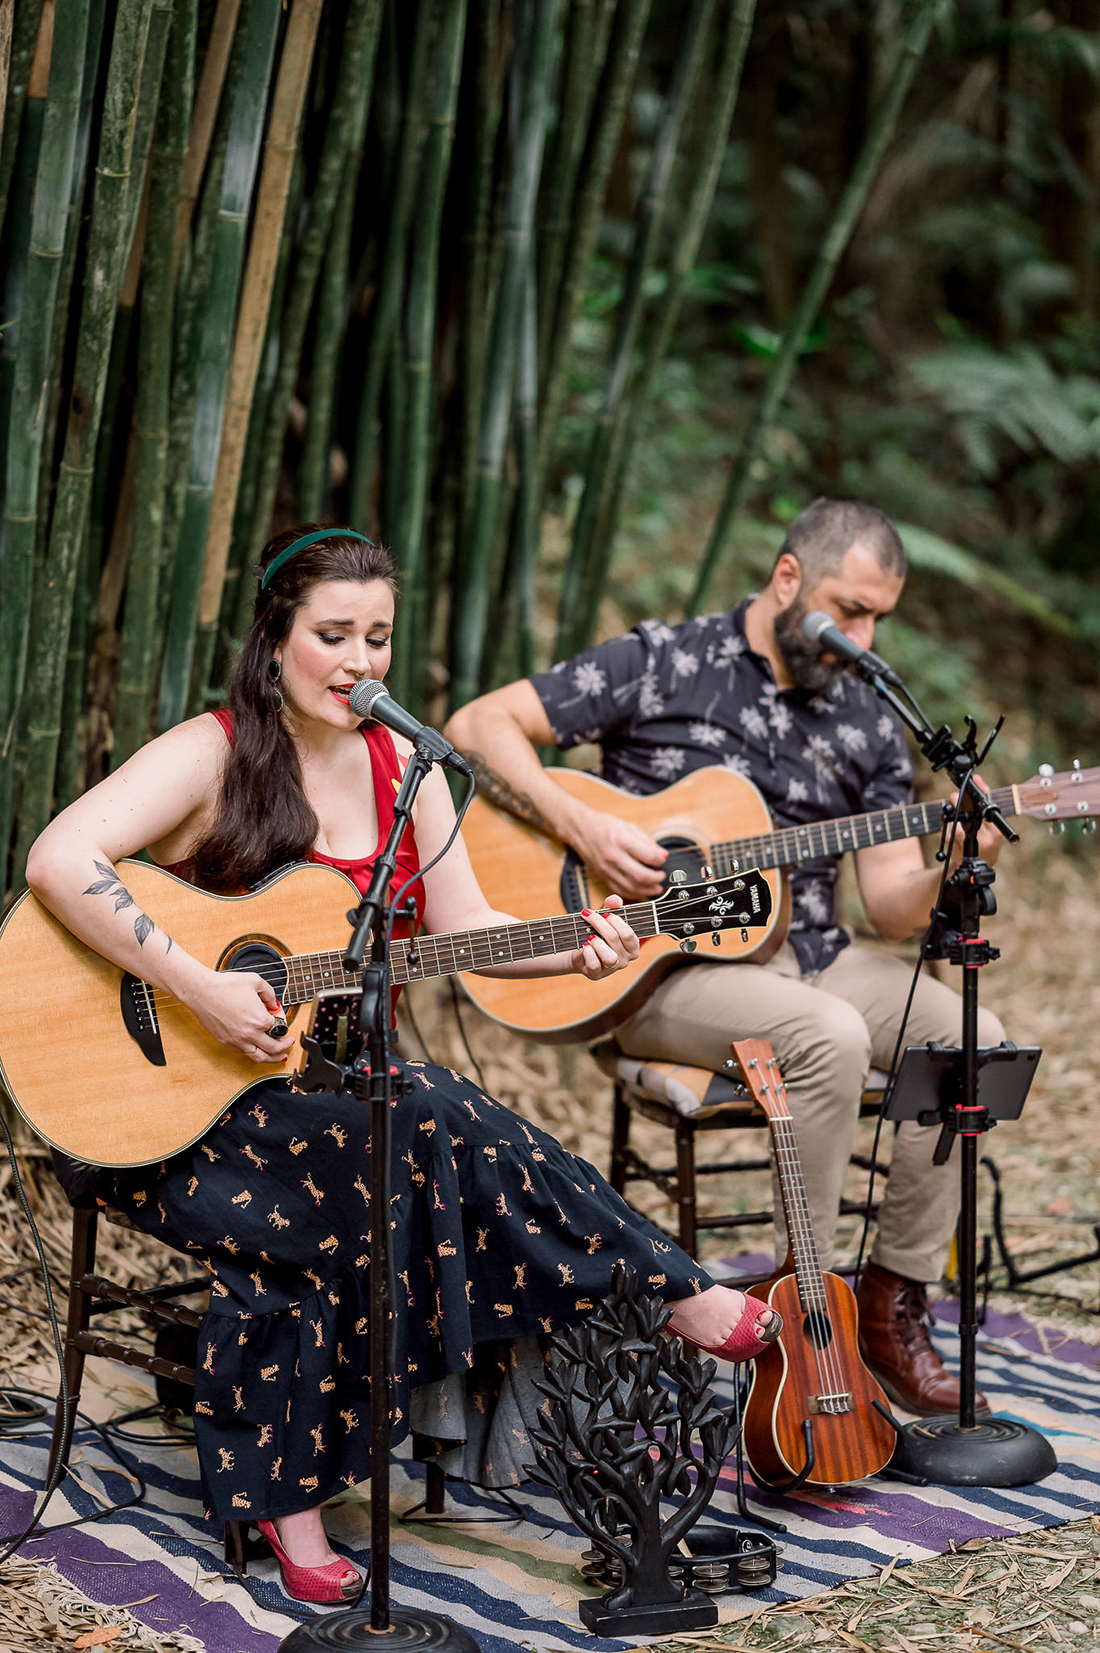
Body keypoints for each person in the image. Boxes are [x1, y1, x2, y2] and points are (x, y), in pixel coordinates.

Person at [26, 525, 778, 1607]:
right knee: (410, 1114)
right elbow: (58, 858)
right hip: (161, 1111)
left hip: (313, 1107)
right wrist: (197, 983)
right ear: (274, 636)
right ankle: (671, 1289)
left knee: (387, 1136)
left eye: (376, 637)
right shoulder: (215, 751)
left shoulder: (406, 769)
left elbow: (468, 931)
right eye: (331, 635)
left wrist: (575, 942)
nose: (358, 662)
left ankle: (293, 1505)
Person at [444, 497, 1009, 1420]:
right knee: (826, 1035)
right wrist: (585, 824)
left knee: (971, 1039)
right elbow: (479, 725)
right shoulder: (665, 659)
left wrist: (958, 855)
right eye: (846, 608)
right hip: (661, 967)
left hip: (816, 952)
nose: (859, 635)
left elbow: (894, 906)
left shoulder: (868, 714)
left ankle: (892, 1302)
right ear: (788, 579)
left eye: (877, 618)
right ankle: (799, 1321)